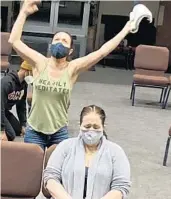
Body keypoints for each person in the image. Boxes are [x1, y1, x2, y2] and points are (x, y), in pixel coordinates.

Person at [8, 0, 139, 149]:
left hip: (59, 131)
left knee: (58, 170)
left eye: (64, 41)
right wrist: (24, 11)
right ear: (51, 46)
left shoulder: (72, 68)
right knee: (31, 169)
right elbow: (14, 41)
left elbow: (102, 51)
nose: (59, 42)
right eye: (56, 39)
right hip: (34, 131)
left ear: (70, 50)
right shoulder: (40, 63)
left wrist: (127, 28)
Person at [43, 105, 131, 199]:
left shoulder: (116, 152)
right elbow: (50, 177)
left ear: (103, 127)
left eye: (96, 127)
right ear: (80, 125)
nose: (91, 130)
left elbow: (121, 186)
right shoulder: (64, 147)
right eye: (87, 126)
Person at [0, 61, 33, 141]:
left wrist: (23, 125)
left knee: (18, 131)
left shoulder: (24, 84)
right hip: (1, 109)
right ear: (26, 71)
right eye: (32, 74)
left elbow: (21, 106)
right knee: (10, 135)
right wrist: (2, 131)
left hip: (5, 111)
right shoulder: (6, 83)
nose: (33, 76)